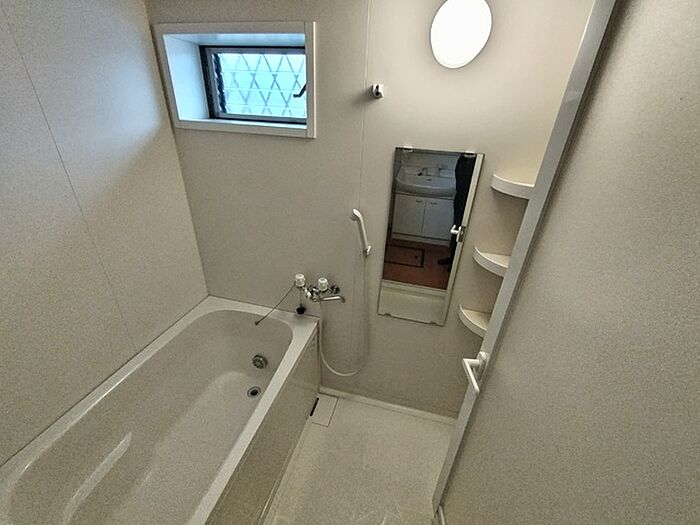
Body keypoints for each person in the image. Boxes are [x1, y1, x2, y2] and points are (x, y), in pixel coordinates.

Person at [439, 153, 476, 269]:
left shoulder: (475, 163)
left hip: (468, 200)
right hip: (460, 198)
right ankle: (452, 258)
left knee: (462, 230)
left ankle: (455, 263)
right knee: (457, 228)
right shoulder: (462, 160)